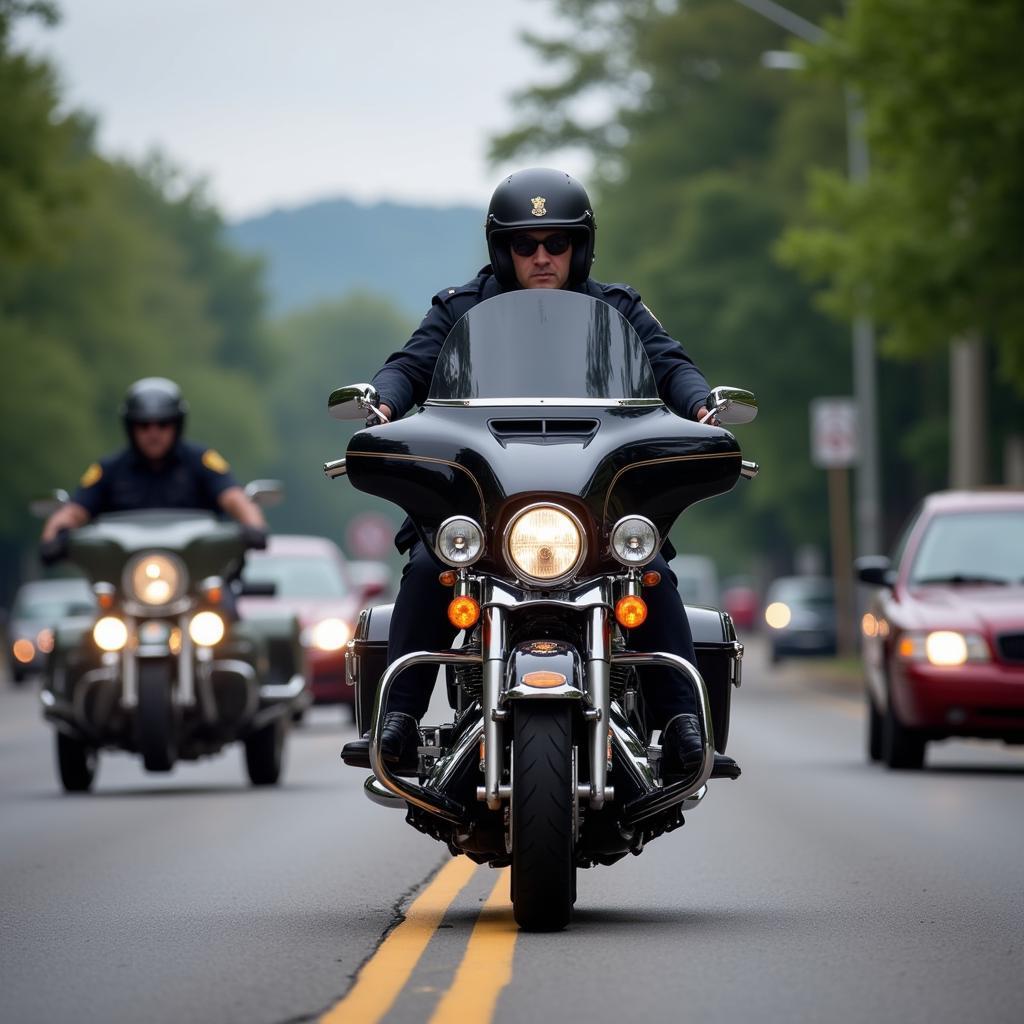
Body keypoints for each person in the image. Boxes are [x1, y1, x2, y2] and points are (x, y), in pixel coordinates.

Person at [356, 168, 712, 781]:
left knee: (647, 569)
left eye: (557, 243)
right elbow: (411, 365)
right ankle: (401, 720)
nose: (542, 257)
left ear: (581, 246)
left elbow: (667, 361)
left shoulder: (616, 310)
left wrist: (701, 405)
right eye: (526, 245)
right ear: (504, 250)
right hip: (488, 508)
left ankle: (682, 721)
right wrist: (383, 402)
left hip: (586, 508)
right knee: (428, 566)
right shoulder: (461, 309)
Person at [40, 377, 267, 553]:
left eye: (163, 424)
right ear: (131, 427)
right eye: (144, 425)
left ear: (177, 425)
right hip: (124, 584)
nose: (153, 433)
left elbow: (234, 498)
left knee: (224, 610)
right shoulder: (109, 469)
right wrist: (53, 536)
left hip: (199, 578)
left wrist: (254, 525)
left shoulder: (202, 461)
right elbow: (74, 512)